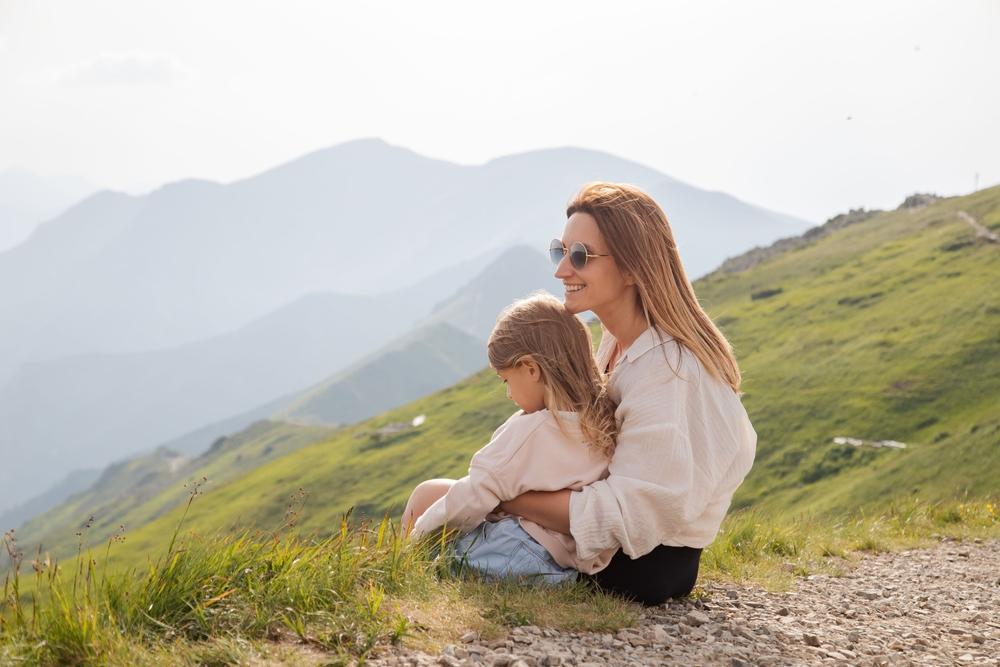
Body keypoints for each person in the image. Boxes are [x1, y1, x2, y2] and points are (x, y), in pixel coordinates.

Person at [498, 182, 757, 605]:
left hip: (637, 567)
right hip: (623, 554)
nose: (562, 270)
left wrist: (510, 498)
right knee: (442, 496)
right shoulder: (619, 343)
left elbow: (627, 515)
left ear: (634, 268)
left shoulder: (665, 368)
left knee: (438, 501)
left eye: (580, 255)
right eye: (559, 252)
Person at [401, 293, 619, 582]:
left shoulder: (531, 430)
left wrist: (415, 542)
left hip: (517, 546)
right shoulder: (601, 419)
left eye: (507, 380)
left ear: (530, 369)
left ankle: (401, 564)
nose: (508, 394)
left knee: (441, 563)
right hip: (568, 558)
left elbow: (469, 499)